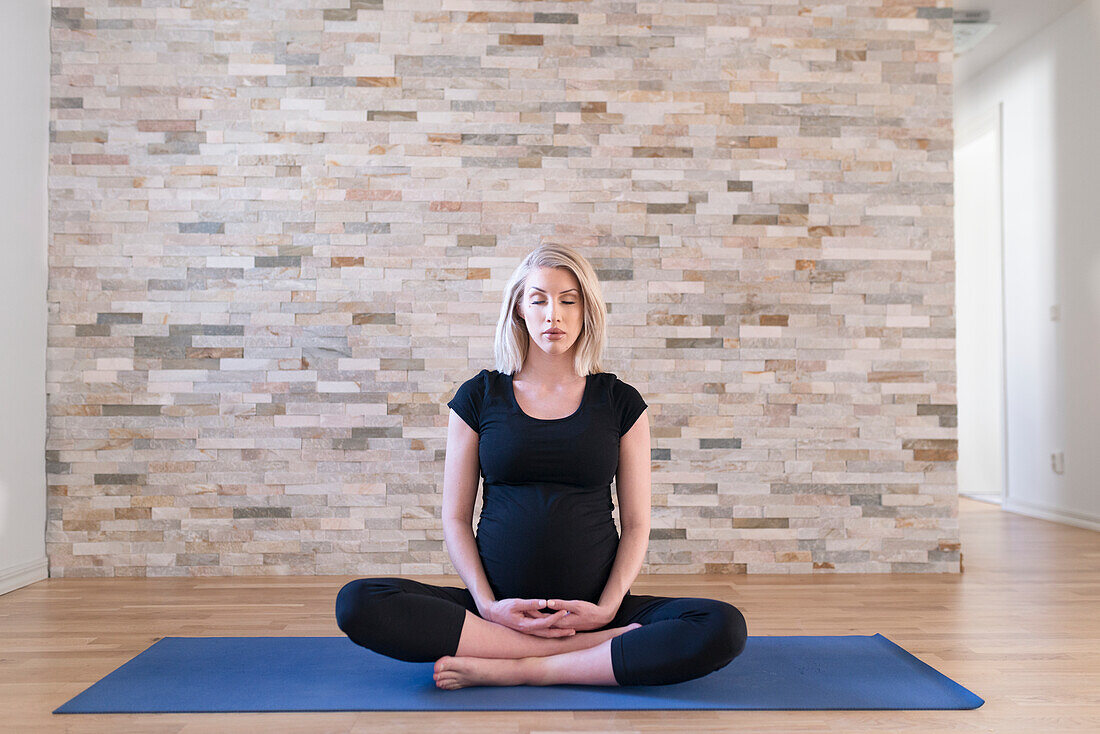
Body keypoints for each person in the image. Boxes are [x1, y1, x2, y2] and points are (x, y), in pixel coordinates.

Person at [335, 244, 747, 689]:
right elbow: (455, 518)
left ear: (586, 310)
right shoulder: (479, 396)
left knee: (721, 625)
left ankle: (521, 667)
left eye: (569, 300)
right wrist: (488, 605)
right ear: (519, 309)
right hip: (493, 612)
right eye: (540, 299)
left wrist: (608, 609)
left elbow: (637, 522)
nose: (555, 314)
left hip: (593, 610)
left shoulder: (620, 401)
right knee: (359, 601)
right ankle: (581, 655)